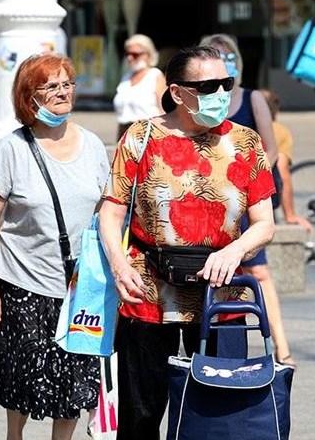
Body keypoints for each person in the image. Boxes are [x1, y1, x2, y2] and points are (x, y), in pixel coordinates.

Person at [98, 46, 276, 438]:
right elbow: (110, 212)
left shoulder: (245, 142)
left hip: (220, 296)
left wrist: (234, 250)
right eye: (209, 86)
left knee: (219, 416)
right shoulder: (141, 137)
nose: (221, 95)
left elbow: (265, 224)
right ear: (178, 93)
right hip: (146, 292)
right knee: (140, 415)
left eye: (226, 84)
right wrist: (119, 264)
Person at [0, 53, 108, 440]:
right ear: (31, 97)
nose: (63, 93)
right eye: (51, 87)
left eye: (67, 84)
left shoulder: (93, 145)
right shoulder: (14, 148)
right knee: (22, 379)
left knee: (74, 380)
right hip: (23, 282)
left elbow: (106, 215)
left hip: (80, 289)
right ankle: (16, 436)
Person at [200, 33, 294, 365]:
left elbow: (269, 149)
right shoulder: (198, 102)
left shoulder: (252, 99)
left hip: (246, 198)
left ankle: (281, 347)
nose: (224, 64)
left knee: (259, 274)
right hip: (210, 202)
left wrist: (243, 180)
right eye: (216, 57)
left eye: (229, 58)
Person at [259, 89, 311, 232]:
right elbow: (283, 174)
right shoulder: (279, 131)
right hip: (261, 197)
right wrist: (290, 215)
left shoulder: (236, 127)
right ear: (275, 110)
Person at [113, 34, 166, 141]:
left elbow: (164, 110)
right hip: (124, 132)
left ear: (148, 54)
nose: (130, 58)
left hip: (148, 133)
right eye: (127, 54)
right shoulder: (126, 77)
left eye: (135, 54)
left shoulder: (155, 75)